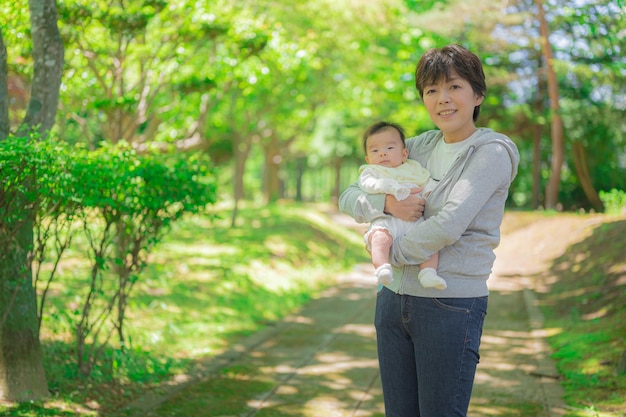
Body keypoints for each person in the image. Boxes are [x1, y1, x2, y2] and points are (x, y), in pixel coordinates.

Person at [339, 44, 520, 416]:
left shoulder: (491, 153)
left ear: (478, 94)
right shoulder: (417, 146)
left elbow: (448, 224)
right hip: (391, 300)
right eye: (432, 90)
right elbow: (348, 195)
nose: (443, 99)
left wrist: (390, 252)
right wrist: (384, 205)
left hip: (450, 304)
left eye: (454, 87)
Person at [358, 121, 446, 290]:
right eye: (375, 150)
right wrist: (388, 187)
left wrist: (429, 193)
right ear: (368, 159)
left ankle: (428, 272)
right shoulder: (372, 172)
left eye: (389, 149)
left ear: (404, 154)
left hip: (415, 219)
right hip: (387, 220)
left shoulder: (413, 168)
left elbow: (426, 182)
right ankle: (382, 268)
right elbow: (368, 184)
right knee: (379, 239)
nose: (382, 154)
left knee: (430, 242)